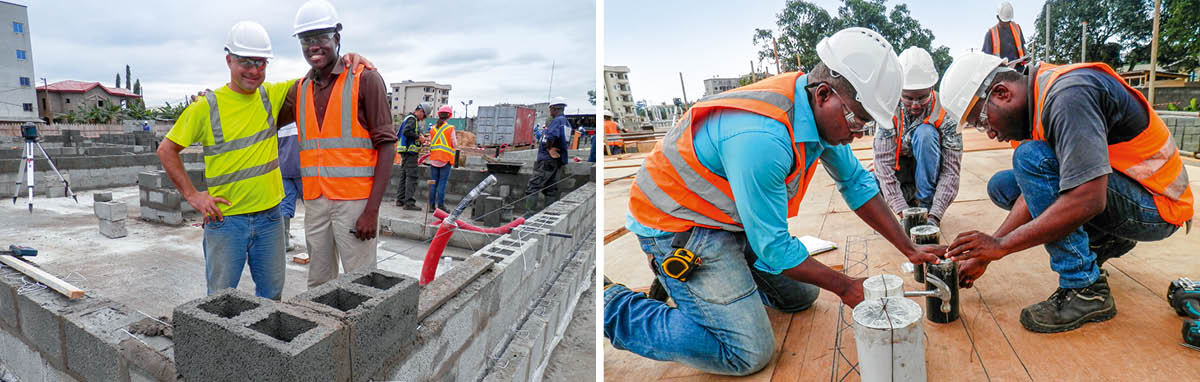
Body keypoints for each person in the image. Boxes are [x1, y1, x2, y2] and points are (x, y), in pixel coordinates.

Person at [603, 28, 944, 376]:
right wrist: (845, 287)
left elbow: (856, 183)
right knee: (747, 352)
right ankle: (611, 305)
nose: (858, 133)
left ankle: (719, 282)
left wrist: (909, 248)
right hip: (679, 223)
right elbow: (774, 249)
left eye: (867, 125)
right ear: (825, 94)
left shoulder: (812, 107)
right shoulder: (762, 138)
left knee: (801, 297)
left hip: (728, 218)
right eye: (858, 120)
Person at [939, 52, 1193, 333]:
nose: (990, 133)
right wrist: (988, 252)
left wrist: (1002, 246)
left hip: (1158, 206)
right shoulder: (1036, 101)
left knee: (1029, 158)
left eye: (983, 121)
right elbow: (1035, 188)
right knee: (1004, 185)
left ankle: (1084, 289)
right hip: (1129, 193)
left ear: (1002, 92)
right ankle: (1103, 242)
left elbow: (1088, 198)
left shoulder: (1069, 96)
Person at [156, 21, 292, 300]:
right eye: (246, 62)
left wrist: (351, 58)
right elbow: (166, 150)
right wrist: (193, 196)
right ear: (229, 60)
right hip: (226, 221)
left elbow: (320, 76)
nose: (254, 70)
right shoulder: (206, 106)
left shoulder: (272, 96)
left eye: (261, 63)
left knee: (272, 295)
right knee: (219, 299)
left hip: (270, 218)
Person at [287, 0, 396, 288]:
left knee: (361, 283)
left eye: (321, 37)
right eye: (306, 40)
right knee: (319, 282)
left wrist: (372, 211)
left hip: (355, 204)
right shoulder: (299, 89)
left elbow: (387, 146)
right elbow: (257, 107)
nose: (314, 46)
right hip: (315, 202)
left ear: (336, 37)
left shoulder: (366, 79)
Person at [872, 47, 963, 226]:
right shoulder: (888, 110)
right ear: (898, 89)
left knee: (925, 133)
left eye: (922, 97)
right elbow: (883, 165)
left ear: (932, 87)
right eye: (907, 98)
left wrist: (934, 215)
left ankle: (924, 204)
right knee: (870, 184)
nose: (915, 105)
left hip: (930, 175)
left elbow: (951, 171)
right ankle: (909, 201)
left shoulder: (947, 113)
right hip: (902, 173)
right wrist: (903, 212)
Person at [524, 99, 571, 216]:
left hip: (547, 161)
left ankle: (529, 214)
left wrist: (550, 149)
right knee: (550, 189)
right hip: (556, 162)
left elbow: (551, 137)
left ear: (554, 109)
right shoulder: (566, 122)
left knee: (533, 186)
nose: (550, 111)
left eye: (550, 109)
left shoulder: (557, 121)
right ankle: (548, 215)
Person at [395, 102, 430, 210]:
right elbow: (407, 132)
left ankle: (400, 200)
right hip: (410, 153)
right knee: (412, 177)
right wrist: (419, 138)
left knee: (404, 176)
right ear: (421, 111)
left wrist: (419, 137)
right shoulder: (412, 119)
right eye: (424, 116)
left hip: (405, 152)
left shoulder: (408, 118)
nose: (423, 118)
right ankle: (409, 203)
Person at [427, 105, 457, 212]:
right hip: (445, 160)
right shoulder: (450, 128)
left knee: (433, 183)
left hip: (434, 159)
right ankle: (440, 206)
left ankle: (431, 206)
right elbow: (454, 144)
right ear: (449, 116)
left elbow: (431, 143)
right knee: (442, 183)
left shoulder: (432, 129)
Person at [277, 122, 302, 251]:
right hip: (304, 169)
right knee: (312, 206)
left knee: (285, 205)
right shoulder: (303, 117)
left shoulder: (282, 121)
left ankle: (284, 242)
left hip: (284, 168)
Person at [982, 1, 1027, 66]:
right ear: (998, 17)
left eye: (1008, 21)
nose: (1006, 24)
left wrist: (1025, 56)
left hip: (1018, 68)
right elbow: (987, 58)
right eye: (1003, 21)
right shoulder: (991, 34)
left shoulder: (1016, 28)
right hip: (1000, 71)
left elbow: (1022, 47)